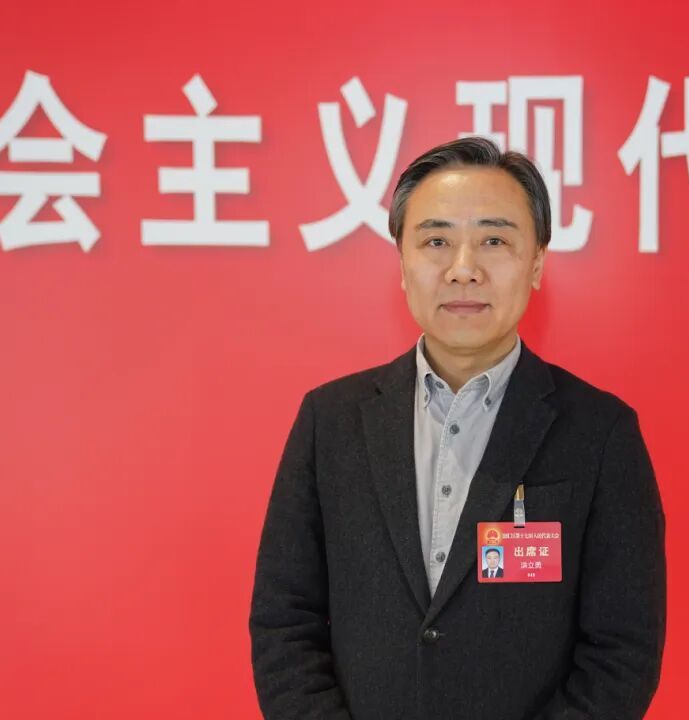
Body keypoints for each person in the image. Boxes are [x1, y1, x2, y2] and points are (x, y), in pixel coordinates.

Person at [249, 136, 666, 720]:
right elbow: (283, 621)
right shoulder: (331, 421)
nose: (463, 269)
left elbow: (622, 651)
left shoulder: (600, 432)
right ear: (402, 264)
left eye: (494, 240)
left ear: (537, 262)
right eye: (436, 241)